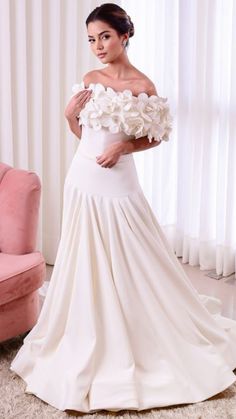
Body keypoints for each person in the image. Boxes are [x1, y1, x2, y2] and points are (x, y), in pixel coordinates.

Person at [10, 3, 236, 414]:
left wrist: (124, 146)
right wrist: (68, 117)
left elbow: (156, 137)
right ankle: (89, 324)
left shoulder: (143, 85)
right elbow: (83, 134)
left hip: (118, 179)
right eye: (92, 39)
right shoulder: (89, 79)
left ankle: (141, 325)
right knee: (84, 255)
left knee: (134, 252)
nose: (97, 46)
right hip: (82, 177)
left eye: (105, 37)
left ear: (124, 35)